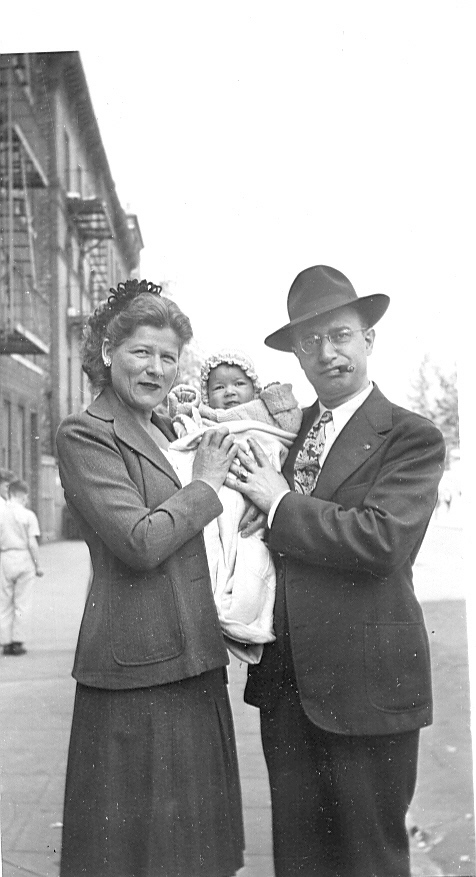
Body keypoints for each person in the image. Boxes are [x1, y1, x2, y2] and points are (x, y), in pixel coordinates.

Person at [227, 265, 446, 877]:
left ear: (368, 339)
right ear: (297, 355)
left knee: (368, 860)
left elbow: (382, 539)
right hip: (288, 689)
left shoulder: (411, 436)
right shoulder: (283, 435)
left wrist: (279, 505)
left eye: (341, 335)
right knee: (299, 861)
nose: (327, 353)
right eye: (311, 342)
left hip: (368, 688)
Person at [55, 279, 245, 877]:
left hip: (194, 657)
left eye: (169, 356)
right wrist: (205, 484)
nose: (156, 368)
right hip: (135, 670)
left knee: (195, 850)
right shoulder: (85, 432)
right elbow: (139, 540)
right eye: (141, 352)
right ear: (107, 351)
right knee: (136, 854)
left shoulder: (169, 428)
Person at [168, 350, 302, 662]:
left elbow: (290, 422)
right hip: (222, 488)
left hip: (257, 479)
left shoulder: (262, 412)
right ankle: (218, 607)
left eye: (239, 384)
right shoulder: (208, 415)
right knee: (215, 549)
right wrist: (184, 404)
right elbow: (185, 424)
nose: (229, 392)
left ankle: (247, 620)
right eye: (219, 387)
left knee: (252, 556)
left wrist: (276, 396)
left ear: (254, 388)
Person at [0, 479, 43, 656]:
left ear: (9, 493)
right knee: (22, 602)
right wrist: (37, 565)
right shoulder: (28, 515)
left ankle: (5, 642)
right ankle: (17, 642)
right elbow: (32, 543)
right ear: (24, 496)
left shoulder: (1, 514)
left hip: (5, 557)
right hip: (24, 557)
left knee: (4, 601)